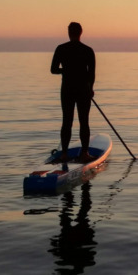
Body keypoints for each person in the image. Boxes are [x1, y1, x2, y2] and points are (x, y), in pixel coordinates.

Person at [51, 22, 96, 169]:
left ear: (69, 33)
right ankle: (84, 153)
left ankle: (64, 154)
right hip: (83, 90)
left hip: (67, 90)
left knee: (67, 121)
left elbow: (53, 70)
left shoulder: (61, 49)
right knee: (84, 121)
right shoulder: (88, 50)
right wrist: (91, 89)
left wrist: (65, 71)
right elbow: (92, 74)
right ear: (81, 32)